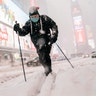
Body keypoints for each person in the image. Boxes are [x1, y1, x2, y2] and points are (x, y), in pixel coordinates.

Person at [13, 6, 58, 76]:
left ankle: (48, 70)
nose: (34, 18)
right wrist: (18, 29)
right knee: (42, 57)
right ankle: (47, 69)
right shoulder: (28, 23)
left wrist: (54, 35)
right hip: (37, 43)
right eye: (32, 17)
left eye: (36, 16)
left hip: (47, 40)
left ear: (38, 15)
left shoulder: (44, 19)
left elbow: (53, 25)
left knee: (45, 54)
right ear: (30, 17)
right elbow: (23, 32)